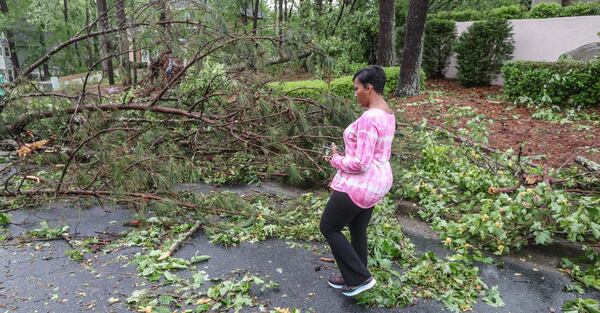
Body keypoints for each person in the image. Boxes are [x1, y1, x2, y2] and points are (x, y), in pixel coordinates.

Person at [320, 65, 395, 297]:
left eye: (357, 89)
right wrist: (344, 153)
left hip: (362, 184)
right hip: (379, 182)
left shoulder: (369, 118)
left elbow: (360, 163)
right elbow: (370, 154)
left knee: (329, 227)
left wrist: (335, 159)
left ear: (369, 88)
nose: (355, 94)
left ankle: (361, 278)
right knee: (357, 228)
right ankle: (353, 276)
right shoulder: (387, 113)